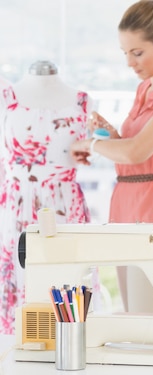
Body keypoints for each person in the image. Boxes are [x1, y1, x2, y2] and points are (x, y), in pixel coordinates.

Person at [70, 0, 153, 315]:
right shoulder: (145, 89)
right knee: (133, 317)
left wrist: (91, 145)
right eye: (125, 53)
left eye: (138, 52)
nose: (130, 62)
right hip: (127, 203)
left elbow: (137, 151)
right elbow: (131, 149)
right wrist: (111, 136)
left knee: (149, 319)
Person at [0, 60, 91, 334]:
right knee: (16, 281)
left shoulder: (81, 101)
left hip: (65, 204)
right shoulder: (6, 97)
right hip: (16, 206)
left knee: (66, 289)